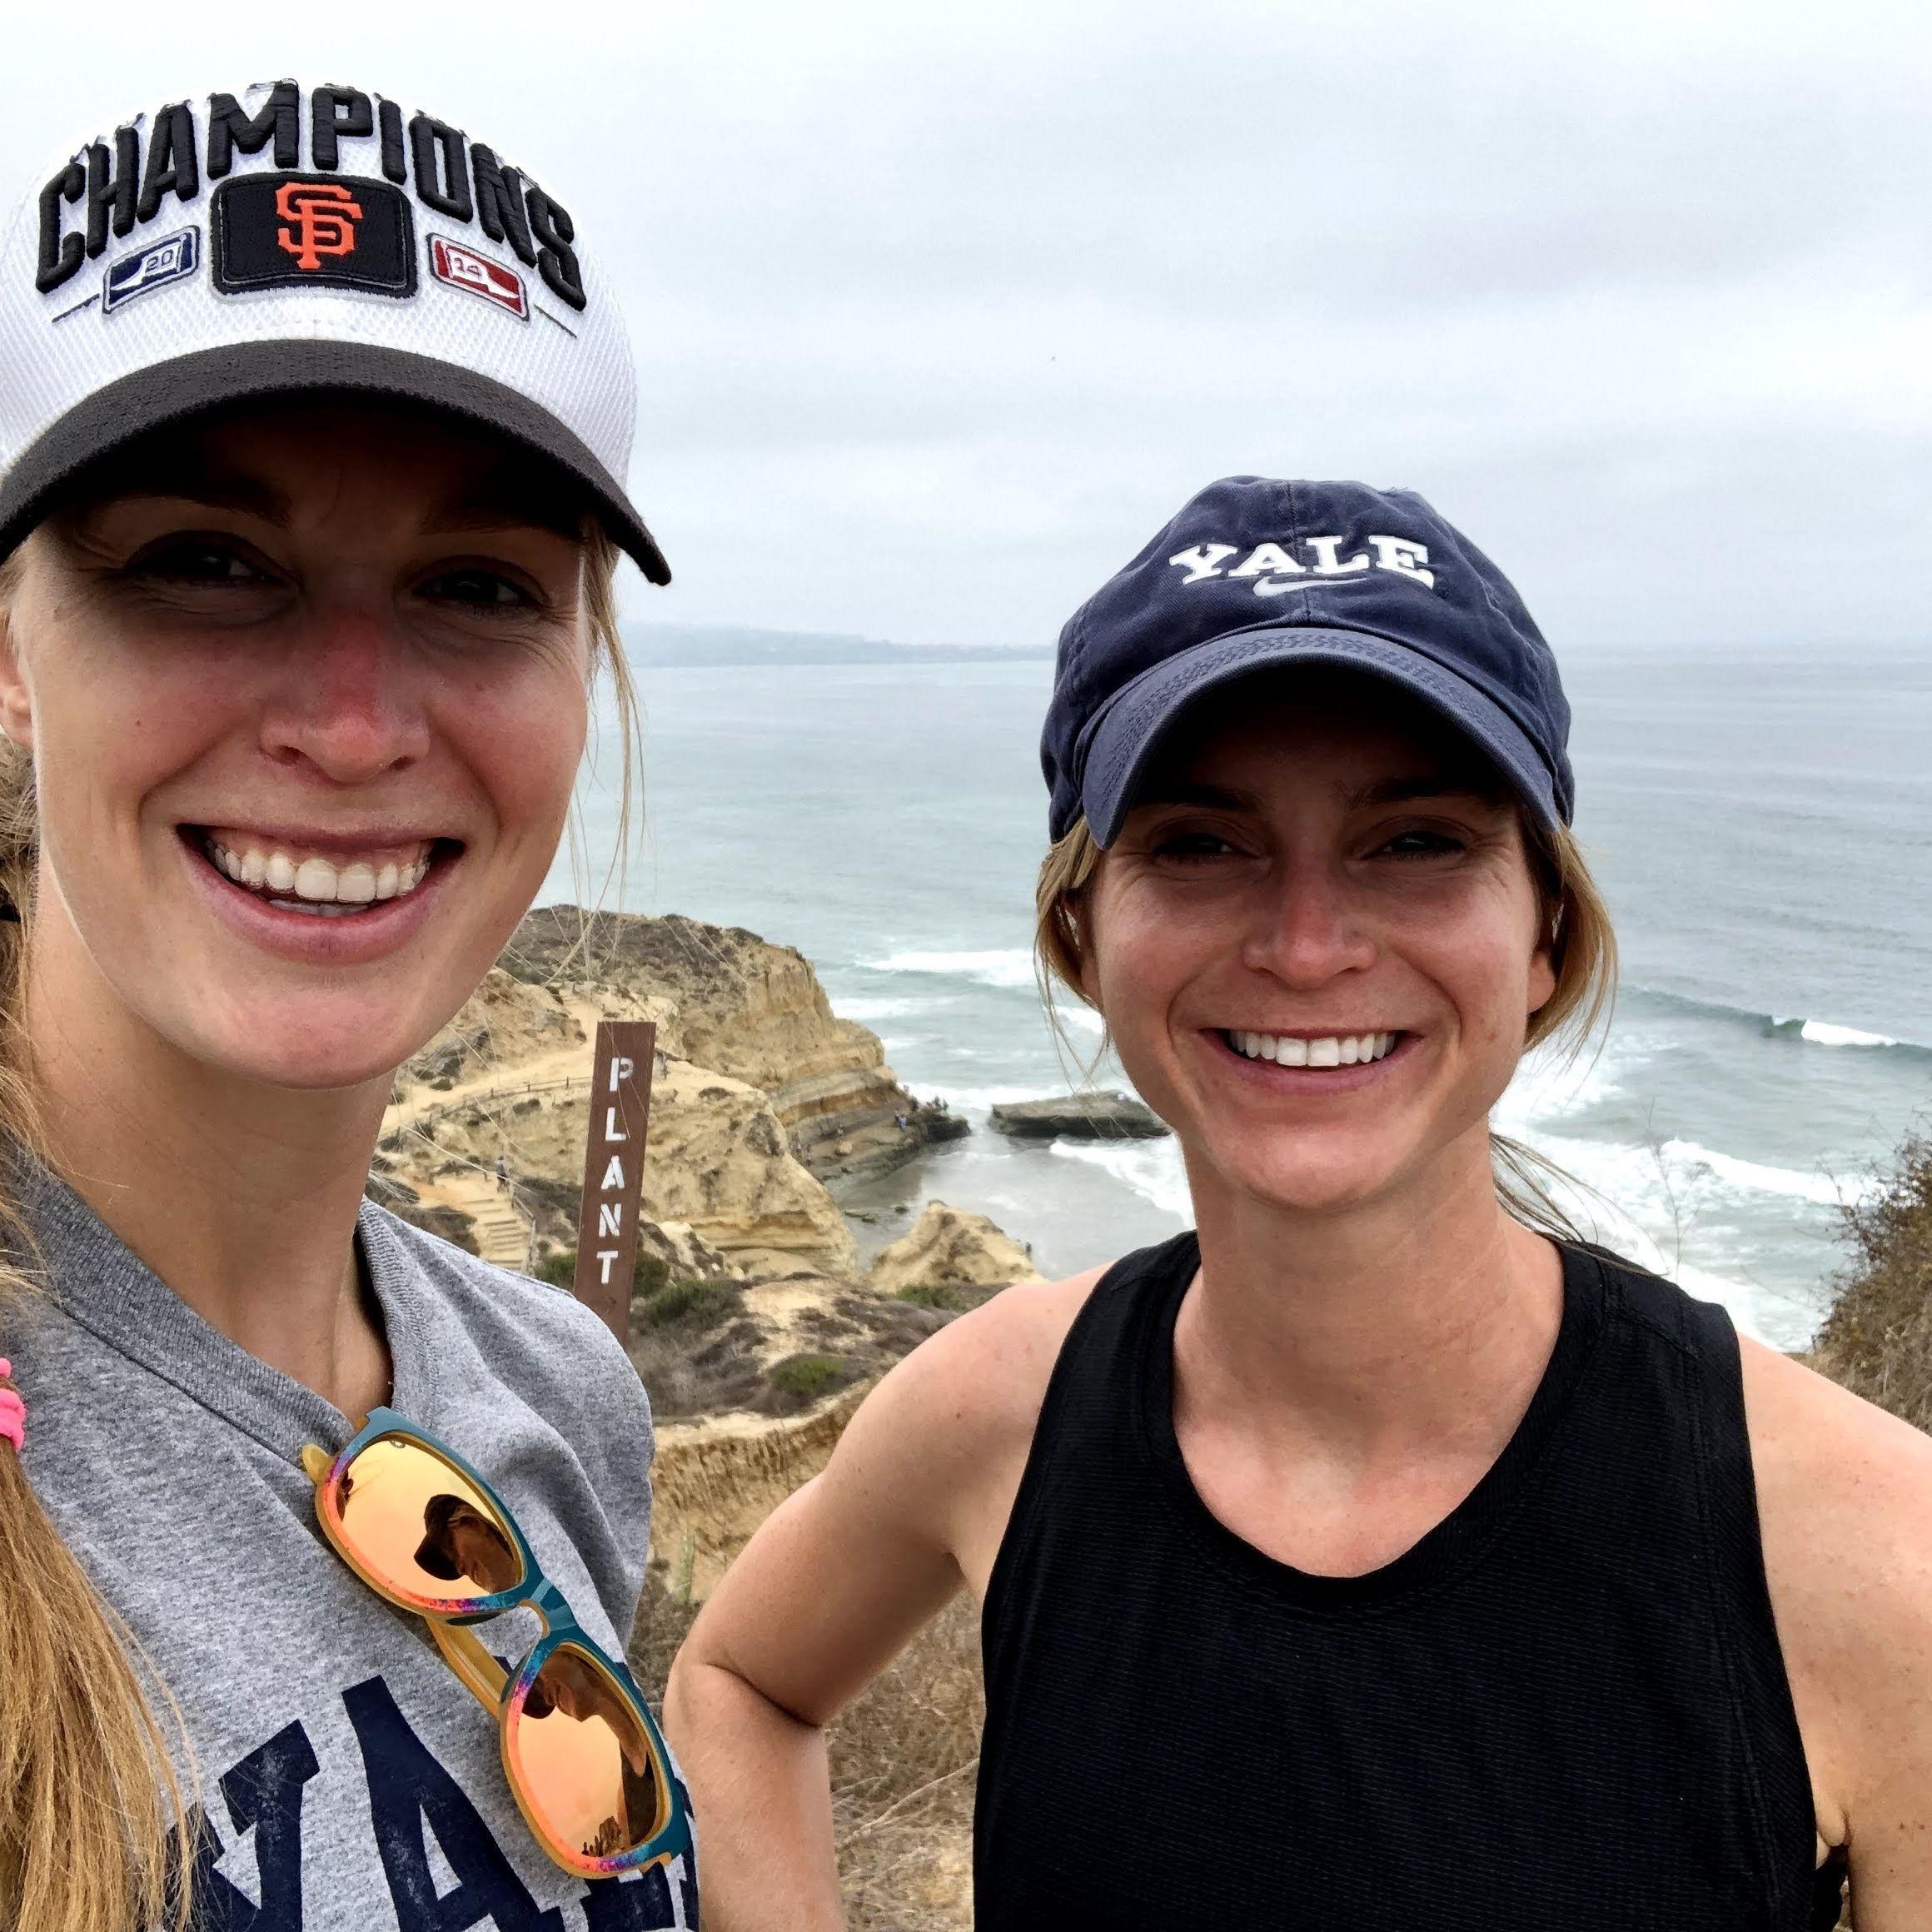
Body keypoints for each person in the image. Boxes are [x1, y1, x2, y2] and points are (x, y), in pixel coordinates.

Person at [669, 476, 1932, 1928]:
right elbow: (739, 1684)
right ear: (1085, 942)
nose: (1310, 946)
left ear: (1546, 935)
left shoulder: (1868, 1554)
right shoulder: (999, 1409)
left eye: (1419, 842)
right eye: (1201, 844)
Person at [0, 78, 697, 1928]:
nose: (355, 724)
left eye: (476, 585)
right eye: (203, 563)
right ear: (9, 650)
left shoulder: (556, 1394)